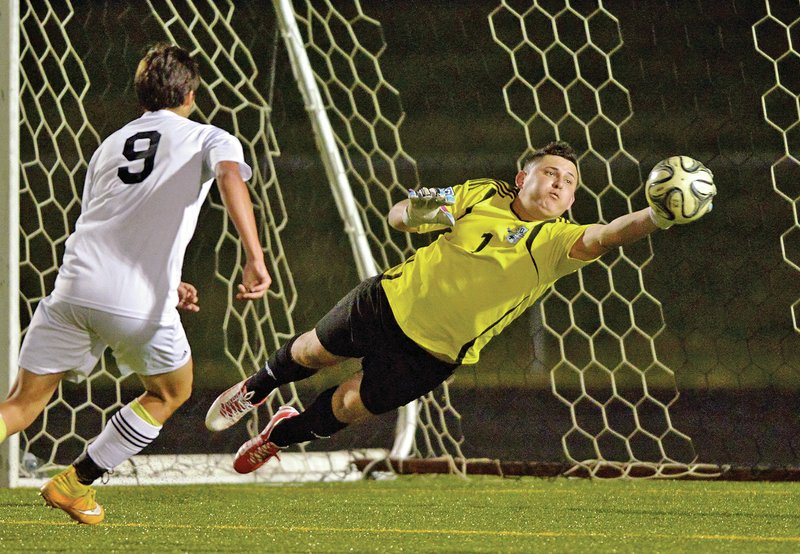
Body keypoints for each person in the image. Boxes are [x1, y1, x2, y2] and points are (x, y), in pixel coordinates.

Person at [205, 141, 707, 475]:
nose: (558, 184)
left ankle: (282, 434)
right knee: (314, 352)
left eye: (569, 182)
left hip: (433, 354)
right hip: (387, 301)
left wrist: (656, 215)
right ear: (521, 177)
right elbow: (403, 214)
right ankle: (255, 388)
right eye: (550, 173)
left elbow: (609, 234)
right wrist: (409, 214)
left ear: (572, 201)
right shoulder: (480, 194)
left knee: (349, 407)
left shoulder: (559, 243)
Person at [0, 43, 271, 524]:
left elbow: (109, 221)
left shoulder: (109, 146)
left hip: (72, 290)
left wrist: (173, 279)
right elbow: (231, 177)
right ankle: (73, 483)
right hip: (135, 303)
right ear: (189, 92)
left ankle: (73, 486)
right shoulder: (211, 137)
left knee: (20, 405)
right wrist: (254, 256)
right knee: (170, 392)